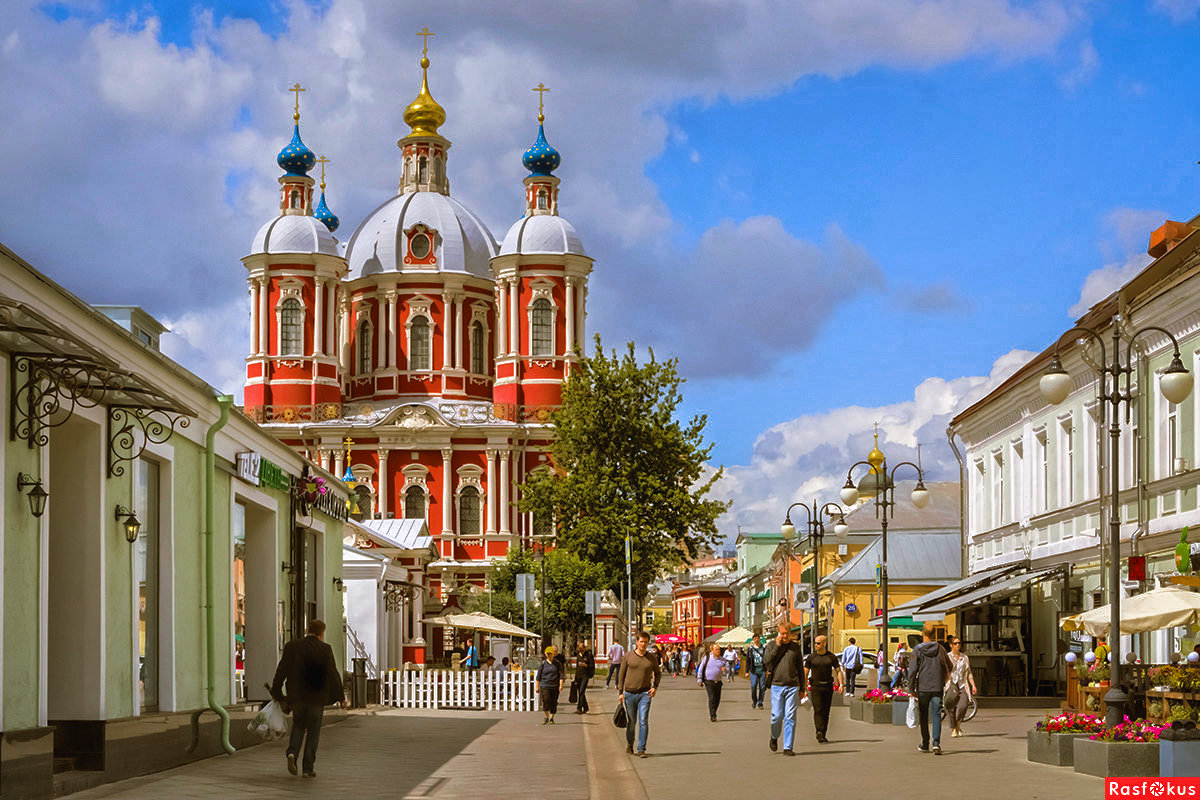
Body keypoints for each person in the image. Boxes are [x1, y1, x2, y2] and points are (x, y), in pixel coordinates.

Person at [270, 619, 346, 779]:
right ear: (321, 633)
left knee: (298, 726)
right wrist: (340, 696)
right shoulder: (325, 649)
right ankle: (307, 768)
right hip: (317, 698)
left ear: (307, 629)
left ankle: (292, 753)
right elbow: (333, 673)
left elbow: (282, 669)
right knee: (313, 732)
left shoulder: (292, 646)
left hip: (297, 697)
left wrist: (276, 691)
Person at [909, 624, 953, 755]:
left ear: (923, 634)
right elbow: (949, 666)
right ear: (934, 635)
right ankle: (936, 743)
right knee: (936, 714)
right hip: (937, 687)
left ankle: (925, 743)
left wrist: (911, 689)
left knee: (923, 716)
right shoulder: (940, 648)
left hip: (922, 687)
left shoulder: (917, 650)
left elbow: (912, 671)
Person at [764, 622, 806, 755]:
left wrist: (802, 688)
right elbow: (766, 660)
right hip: (776, 685)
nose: (784, 636)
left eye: (786, 634)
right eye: (782, 633)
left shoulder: (795, 647)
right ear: (778, 632)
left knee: (790, 717)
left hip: (792, 686)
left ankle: (788, 747)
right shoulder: (771, 645)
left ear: (790, 633)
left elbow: (800, 667)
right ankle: (774, 736)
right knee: (776, 716)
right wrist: (777, 646)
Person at [619, 631, 661, 757]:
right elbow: (621, 675)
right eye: (641, 641)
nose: (643, 644)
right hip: (629, 694)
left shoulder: (651, 658)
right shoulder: (628, 656)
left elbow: (658, 673)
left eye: (646, 642)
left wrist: (655, 687)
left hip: (645, 693)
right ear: (637, 642)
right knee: (631, 722)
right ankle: (630, 744)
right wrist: (621, 692)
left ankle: (641, 749)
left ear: (648, 643)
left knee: (643, 721)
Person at [805, 635, 842, 744]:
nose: (815, 645)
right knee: (818, 709)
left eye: (818, 643)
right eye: (815, 643)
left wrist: (841, 684)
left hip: (828, 686)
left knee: (826, 711)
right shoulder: (811, 657)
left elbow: (838, 671)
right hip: (816, 687)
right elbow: (806, 672)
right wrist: (804, 686)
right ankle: (819, 731)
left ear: (824, 644)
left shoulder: (831, 657)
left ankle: (823, 733)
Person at [944, 636, 977, 738]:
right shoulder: (947, 657)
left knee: (963, 705)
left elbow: (969, 673)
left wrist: (973, 686)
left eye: (959, 643)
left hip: (962, 683)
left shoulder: (965, 657)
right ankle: (954, 729)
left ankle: (958, 724)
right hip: (951, 683)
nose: (958, 645)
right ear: (951, 645)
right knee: (950, 707)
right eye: (955, 643)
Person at [698, 643, 727, 721]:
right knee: (712, 698)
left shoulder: (722, 660)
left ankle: (714, 711)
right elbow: (701, 668)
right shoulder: (707, 658)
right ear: (712, 650)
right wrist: (699, 679)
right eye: (716, 649)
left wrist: (724, 669)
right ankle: (712, 715)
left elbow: (726, 668)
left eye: (719, 649)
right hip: (709, 681)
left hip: (718, 682)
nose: (718, 651)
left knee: (717, 699)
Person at [536, 646, 564, 724]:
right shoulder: (543, 664)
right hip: (545, 685)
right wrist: (537, 686)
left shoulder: (557, 663)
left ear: (553, 654)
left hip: (555, 685)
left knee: (554, 701)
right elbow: (538, 676)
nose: (548, 655)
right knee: (545, 700)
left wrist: (561, 685)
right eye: (547, 654)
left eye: (550, 654)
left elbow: (561, 675)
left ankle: (552, 717)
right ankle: (546, 716)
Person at [747, 634, 767, 709]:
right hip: (753, 671)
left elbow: (767, 658)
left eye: (757, 638)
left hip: (762, 670)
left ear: (759, 639)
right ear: (753, 640)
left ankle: (760, 702)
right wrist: (746, 671)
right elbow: (748, 660)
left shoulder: (764, 647)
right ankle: (754, 700)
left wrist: (768, 669)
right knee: (753, 686)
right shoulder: (750, 649)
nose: (756, 640)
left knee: (762, 687)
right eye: (755, 638)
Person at [574, 639, 595, 714]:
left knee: (582, 691)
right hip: (579, 675)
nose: (581, 652)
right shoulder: (578, 655)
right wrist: (575, 678)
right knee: (580, 691)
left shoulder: (588, 655)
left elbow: (592, 665)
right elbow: (577, 667)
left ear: (584, 648)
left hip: (585, 675)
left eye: (582, 650)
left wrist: (585, 665)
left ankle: (579, 708)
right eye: (579, 650)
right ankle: (586, 707)